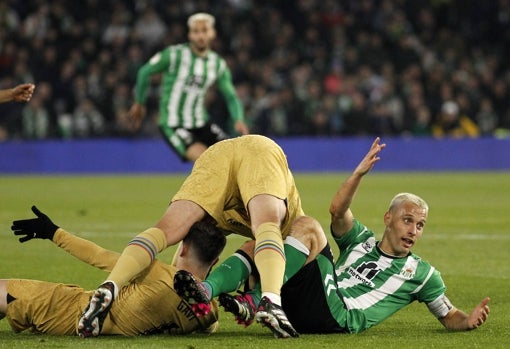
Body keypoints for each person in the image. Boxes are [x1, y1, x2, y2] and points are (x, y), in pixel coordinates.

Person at [175, 137, 491, 334]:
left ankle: (258, 300)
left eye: (420, 225)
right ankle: (207, 289)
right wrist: (357, 175)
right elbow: (338, 211)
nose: (413, 230)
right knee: (262, 242)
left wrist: (469, 320)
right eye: (408, 220)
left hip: (339, 316)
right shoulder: (361, 240)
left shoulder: (422, 274)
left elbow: (448, 314)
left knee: (308, 228)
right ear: (389, 219)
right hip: (306, 306)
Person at [78, 134, 304, 338]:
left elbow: (182, 260)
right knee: (266, 225)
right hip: (258, 151)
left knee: (165, 229)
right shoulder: (298, 230)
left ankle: (111, 284)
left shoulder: (209, 232)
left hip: (216, 154)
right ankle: (272, 301)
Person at [2, 206, 226, 336]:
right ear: (214, 261)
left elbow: (98, 256)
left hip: (66, 310)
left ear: (184, 247)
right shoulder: (208, 315)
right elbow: (211, 326)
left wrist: (52, 232)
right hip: (110, 324)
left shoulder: (157, 271)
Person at [128, 12, 249, 162]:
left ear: (212, 33)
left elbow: (231, 96)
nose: (200, 36)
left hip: (201, 122)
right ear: (190, 35)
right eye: (196, 32)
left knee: (232, 158)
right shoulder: (174, 55)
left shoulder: (217, 64)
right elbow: (144, 72)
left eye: (204, 31)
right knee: (205, 160)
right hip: (173, 123)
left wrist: (238, 118)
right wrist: (139, 102)